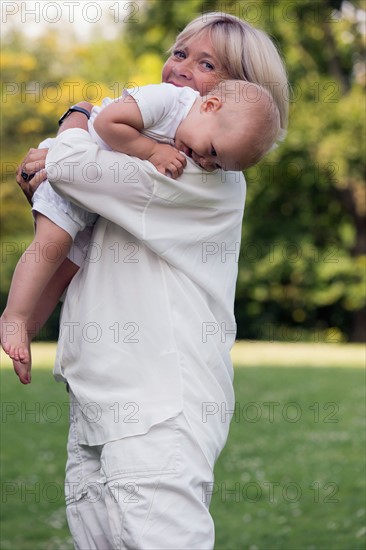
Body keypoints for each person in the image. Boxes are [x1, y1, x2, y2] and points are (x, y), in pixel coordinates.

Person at [12, 12, 288, 549]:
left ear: (233, 95)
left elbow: (69, 164)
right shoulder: (155, 154)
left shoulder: (201, 174)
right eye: (180, 53)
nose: (182, 70)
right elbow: (70, 224)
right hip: (102, 401)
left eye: (208, 64)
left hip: (157, 410)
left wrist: (73, 118)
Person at [0, 79, 280, 376]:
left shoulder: (195, 141)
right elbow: (109, 122)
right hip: (66, 169)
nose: (203, 162)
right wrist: (152, 152)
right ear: (210, 106)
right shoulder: (168, 100)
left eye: (217, 165)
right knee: (51, 244)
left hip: (91, 199)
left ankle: (26, 332)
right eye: (211, 151)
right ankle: (14, 316)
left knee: (65, 270)